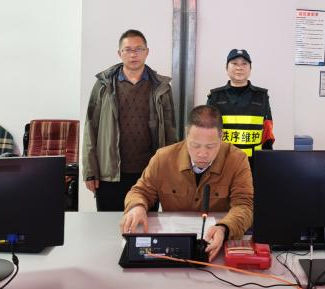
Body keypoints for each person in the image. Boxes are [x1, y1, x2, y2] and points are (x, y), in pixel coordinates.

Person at [120, 105, 253, 261]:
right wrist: (137, 207)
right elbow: (140, 191)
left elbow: (244, 205)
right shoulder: (163, 158)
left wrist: (224, 228)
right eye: (195, 145)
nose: (202, 153)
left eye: (210, 146)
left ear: (221, 137)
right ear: (186, 134)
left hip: (214, 245)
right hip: (172, 247)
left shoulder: (237, 160)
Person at [83, 29, 177, 211]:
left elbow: (170, 133)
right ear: (119, 53)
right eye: (128, 50)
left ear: (147, 52)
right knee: (109, 225)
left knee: (146, 225)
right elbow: (90, 128)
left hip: (148, 174)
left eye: (139, 49)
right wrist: (90, 171)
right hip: (109, 174)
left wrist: (169, 171)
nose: (133, 54)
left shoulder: (161, 87)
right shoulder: (103, 85)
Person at [206, 49, 274, 172]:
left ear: (250, 68)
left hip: (253, 165)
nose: (239, 67)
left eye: (244, 64)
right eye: (234, 63)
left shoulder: (262, 97)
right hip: (222, 164)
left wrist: (267, 165)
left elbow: (267, 136)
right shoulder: (215, 97)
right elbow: (207, 133)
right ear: (226, 68)